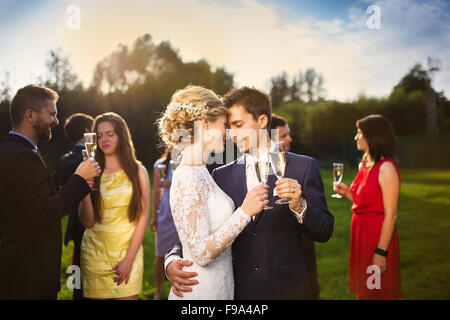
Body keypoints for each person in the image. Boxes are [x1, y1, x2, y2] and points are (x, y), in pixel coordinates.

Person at [165, 87, 334, 299]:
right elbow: (197, 229)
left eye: (237, 125)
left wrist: (300, 205)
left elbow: (325, 230)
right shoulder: (220, 174)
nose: (230, 134)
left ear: (262, 121)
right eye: (227, 126)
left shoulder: (303, 167)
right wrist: (171, 259)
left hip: (287, 290)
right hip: (239, 292)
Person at [158, 85, 269, 300]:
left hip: (221, 287)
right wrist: (245, 212)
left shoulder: (203, 172)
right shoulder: (188, 176)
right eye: (224, 125)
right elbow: (200, 253)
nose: (228, 133)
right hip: (200, 291)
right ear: (204, 124)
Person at [0, 84, 100, 300]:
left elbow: (33, 205)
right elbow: (47, 212)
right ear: (30, 115)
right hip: (28, 275)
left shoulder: (15, 150)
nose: (56, 120)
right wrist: (80, 179)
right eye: (52, 114)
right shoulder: (21, 156)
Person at [78, 112, 150, 300]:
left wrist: (128, 260)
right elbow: (88, 222)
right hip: (95, 253)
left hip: (128, 252)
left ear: (121, 135)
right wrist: (84, 189)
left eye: (110, 134)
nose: (104, 140)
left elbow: (143, 216)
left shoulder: (138, 171)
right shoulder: (91, 171)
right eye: (99, 135)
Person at [334, 114, 402, 300]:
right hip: (361, 235)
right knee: (366, 290)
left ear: (373, 136)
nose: (356, 137)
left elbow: (391, 215)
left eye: (360, 133)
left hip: (377, 237)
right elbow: (365, 203)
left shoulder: (386, 168)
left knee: (377, 290)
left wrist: (381, 252)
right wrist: (348, 192)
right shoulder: (365, 164)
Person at [269, 113, 320, 300]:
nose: (289, 139)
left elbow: (321, 221)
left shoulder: (303, 166)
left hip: (302, 247)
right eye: (283, 136)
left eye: (288, 134)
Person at [54, 113, 94, 300]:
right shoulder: (91, 160)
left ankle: (77, 292)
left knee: (77, 257)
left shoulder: (64, 159)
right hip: (91, 215)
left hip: (72, 217)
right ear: (87, 131)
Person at [150, 148, 180, 299]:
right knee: (160, 254)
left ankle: (177, 286)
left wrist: (171, 184)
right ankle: (159, 287)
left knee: (181, 253)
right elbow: (156, 191)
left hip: (179, 212)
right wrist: (154, 215)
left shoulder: (183, 163)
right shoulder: (159, 165)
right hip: (164, 211)